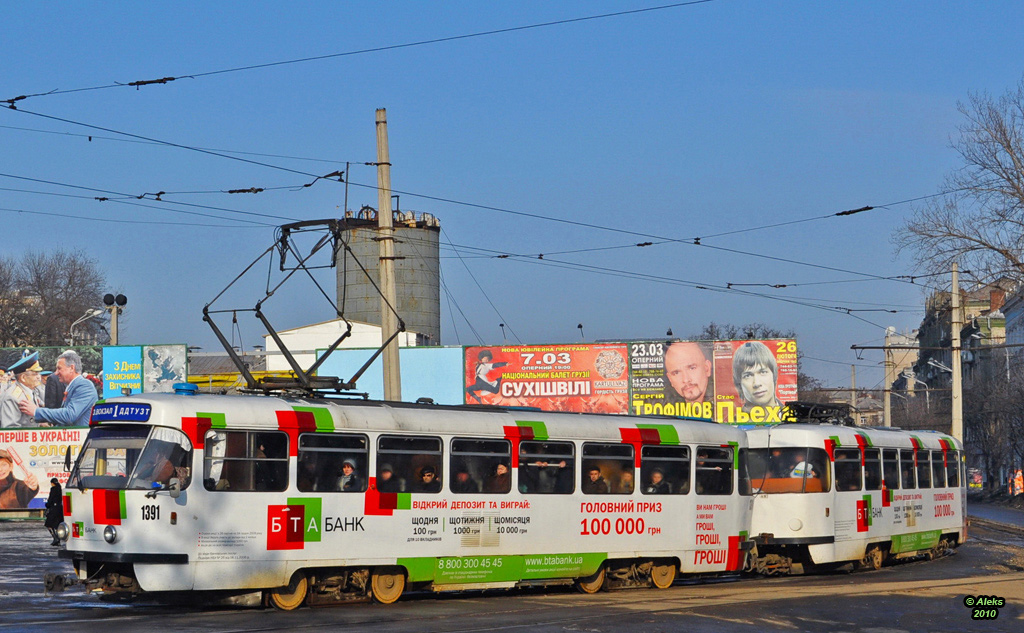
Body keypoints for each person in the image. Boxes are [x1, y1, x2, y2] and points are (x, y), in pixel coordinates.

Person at [19, 350, 98, 427]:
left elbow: (69, 415)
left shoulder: (84, 386)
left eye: (59, 368)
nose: (56, 373)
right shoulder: (72, 386)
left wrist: (36, 411)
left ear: (71, 368)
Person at [731, 342, 782, 413]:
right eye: (748, 376)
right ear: (739, 384)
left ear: (774, 375)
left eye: (763, 372)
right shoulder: (731, 422)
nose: (757, 383)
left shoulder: (790, 419)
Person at [1, 352, 45, 428]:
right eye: (35, 374)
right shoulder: (12, 396)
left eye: (39, 373)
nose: (39, 377)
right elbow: (10, 429)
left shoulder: (29, 389)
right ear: (23, 378)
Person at [44, 478, 64, 545]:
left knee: (49, 524)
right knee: (57, 525)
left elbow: (51, 499)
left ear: (52, 483)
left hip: (53, 509)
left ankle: (55, 538)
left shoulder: (53, 489)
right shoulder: (60, 489)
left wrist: (47, 505)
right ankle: (58, 538)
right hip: (60, 510)